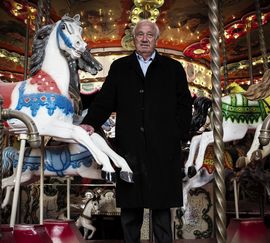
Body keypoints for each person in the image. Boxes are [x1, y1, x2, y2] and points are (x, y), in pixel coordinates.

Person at [80, 19, 192, 243]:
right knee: (131, 210)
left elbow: (184, 104)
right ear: (134, 38)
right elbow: (105, 100)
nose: (144, 39)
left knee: (161, 210)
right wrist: (91, 121)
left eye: (149, 35)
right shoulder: (120, 67)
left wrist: (178, 133)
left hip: (163, 146)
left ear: (155, 39)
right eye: (140, 34)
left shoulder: (173, 68)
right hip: (130, 147)